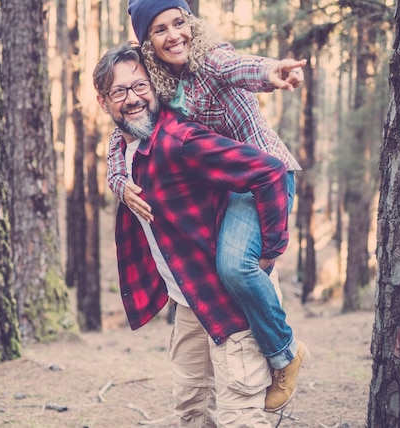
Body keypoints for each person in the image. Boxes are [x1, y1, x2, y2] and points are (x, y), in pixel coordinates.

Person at [106, 0, 309, 413]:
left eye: (179, 23)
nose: (174, 35)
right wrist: (119, 182)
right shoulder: (158, 83)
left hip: (267, 176)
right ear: (148, 42)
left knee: (236, 266)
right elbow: (122, 133)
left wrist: (272, 72)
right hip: (233, 188)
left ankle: (284, 353)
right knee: (220, 265)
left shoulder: (210, 58)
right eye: (160, 29)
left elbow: (239, 68)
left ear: (190, 23)